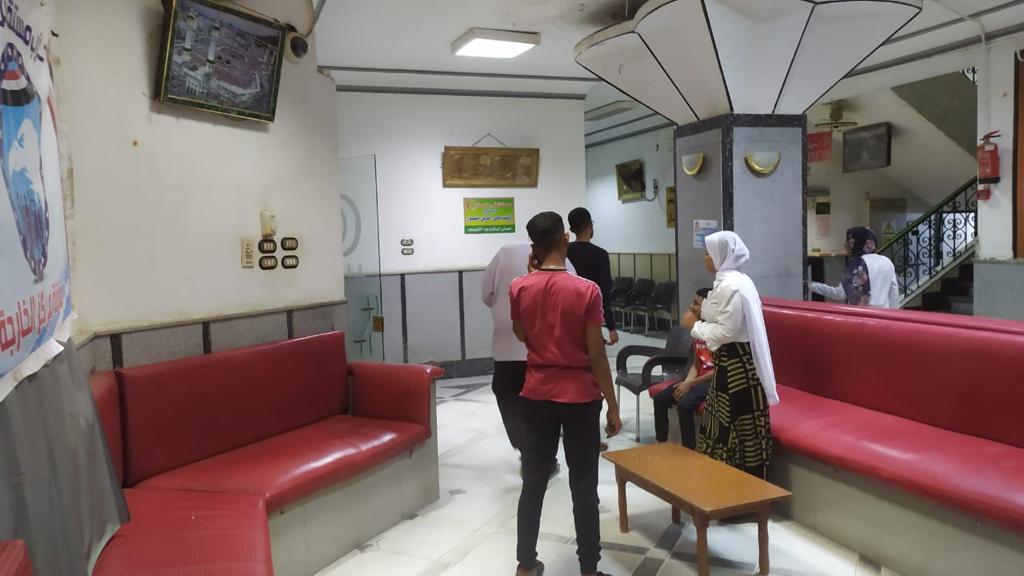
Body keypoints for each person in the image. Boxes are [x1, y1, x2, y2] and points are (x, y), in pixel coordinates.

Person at [511, 212, 622, 576]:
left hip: (536, 394)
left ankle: (526, 564)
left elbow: (521, 334)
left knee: (534, 480)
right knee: (584, 486)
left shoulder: (520, 287)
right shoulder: (587, 290)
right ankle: (588, 569)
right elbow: (596, 355)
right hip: (580, 398)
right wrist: (612, 405)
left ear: (534, 248)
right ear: (565, 240)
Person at [683, 231, 779, 480]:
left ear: (721, 255)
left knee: (735, 429)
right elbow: (719, 313)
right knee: (724, 425)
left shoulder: (731, 286)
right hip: (729, 363)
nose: (704, 258)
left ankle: (738, 490)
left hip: (737, 368)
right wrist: (702, 312)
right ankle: (724, 486)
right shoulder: (732, 281)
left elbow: (727, 331)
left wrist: (695, 326)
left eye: (708, 253)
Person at [482, 242, 574, 475]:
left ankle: (528, 452)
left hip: (507, 349)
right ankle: (542, 457)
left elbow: (486, 295)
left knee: (507, 395)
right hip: (547, 350)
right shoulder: (559, 258)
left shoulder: (504, 252)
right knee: (544, 405)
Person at [649, 288, 715, 448]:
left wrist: (690, 384)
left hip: (711, 382)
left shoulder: (718, 334)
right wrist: (686, 382)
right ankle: (661, 444)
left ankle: (688, 450)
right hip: (696, 380)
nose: (691, 307)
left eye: (696, 303)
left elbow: (718, 370)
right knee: (660, 399)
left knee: (685, 405)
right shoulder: (698, 331)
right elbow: (696, 364)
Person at [810, 226, 900, 309]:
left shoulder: (856, 264)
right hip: (883, 315)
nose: (846, 246)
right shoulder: (886, 261)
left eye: (849, 243)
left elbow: (841, 294)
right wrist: (893, 315)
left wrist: (812, 285)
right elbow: (894, 293)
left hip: (862, 315)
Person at [566, 207, 619, 346]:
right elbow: (604, 293)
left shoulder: (564, 252)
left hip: (567, 316)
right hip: (591, 318)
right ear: (590, 225)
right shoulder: (601, 254)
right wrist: (611, 327)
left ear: (571, 229)